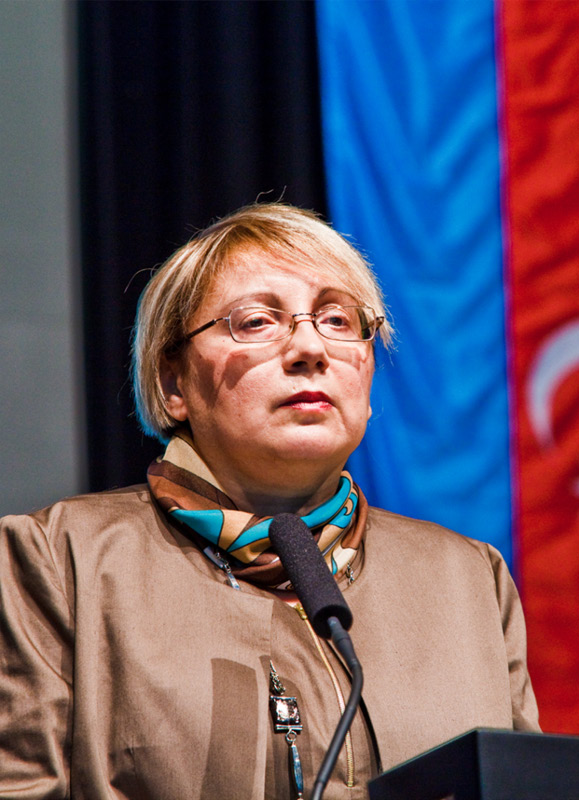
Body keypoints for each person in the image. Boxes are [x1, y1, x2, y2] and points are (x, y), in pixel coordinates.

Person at [0, 203, 538, 799]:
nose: (310, 347)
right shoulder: (58, 560)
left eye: (338, 320)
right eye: (256, 322)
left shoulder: (467, 580)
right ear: (174, 384)